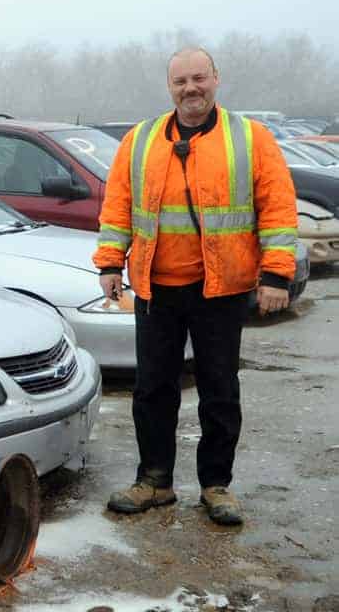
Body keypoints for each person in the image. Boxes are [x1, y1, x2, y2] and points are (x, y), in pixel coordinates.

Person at [93, 47, 298, 526]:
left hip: (221, 290)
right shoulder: (140, 140)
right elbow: (117, 208)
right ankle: (155, 482)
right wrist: (109, 263)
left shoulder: (250, 138)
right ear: (170, 87)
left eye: (199, 78)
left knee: (219, 391)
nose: (191, 89)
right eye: (181, 81)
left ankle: (216, 486)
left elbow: (277, 209)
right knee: (152, 390)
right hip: (155, 290)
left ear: (216, 79)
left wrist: (275, 275)